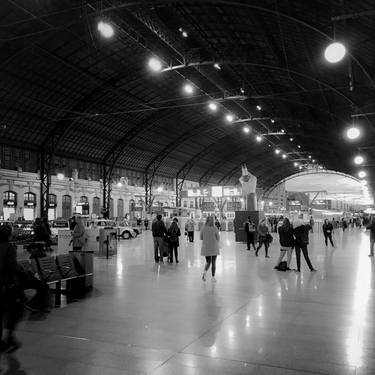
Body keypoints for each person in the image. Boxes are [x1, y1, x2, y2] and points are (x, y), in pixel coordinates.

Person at [0, 225, 23, 352]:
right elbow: (11, 267)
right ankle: (9, 336)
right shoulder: (10, 247)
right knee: (15, 310)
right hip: (6, 285)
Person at [200, 216, 220, 282]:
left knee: (208, 261)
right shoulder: (215, 228)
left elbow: (201, 237)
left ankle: (204, 273)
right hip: (214, 247)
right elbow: (218, 237)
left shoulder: (203, 227)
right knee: (213, 262)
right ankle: (213, 277)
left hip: (206, 247)